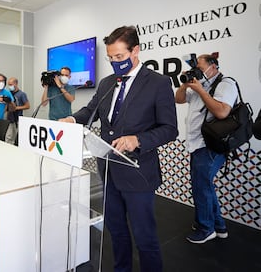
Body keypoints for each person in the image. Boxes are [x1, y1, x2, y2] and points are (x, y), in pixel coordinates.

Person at [60, 26, 178, 272]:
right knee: (116, 231)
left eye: (119, 57)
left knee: (144, 237)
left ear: (136, 50)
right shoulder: (106, 83)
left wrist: (138, 139)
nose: (114, 62)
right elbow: (89, 111)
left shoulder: (158, 83)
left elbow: (170, 129)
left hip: (138, 173)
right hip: (108, 171)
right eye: (110, 58)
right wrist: (72, 119)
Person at [175, 53, 238, 244]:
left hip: (211, 144)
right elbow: (178, 99)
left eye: (200, 68)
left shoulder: (225, 84)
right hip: (196, 144)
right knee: (205, 186)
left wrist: (201, 90)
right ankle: (218, 226)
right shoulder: (197, 84)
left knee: (201, 187)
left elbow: (221, 112)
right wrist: (186, 84)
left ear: (213, 66)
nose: (198, 72)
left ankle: (206, 228)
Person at [6, 77, 30, 144]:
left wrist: (16, 108)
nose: (10, 86)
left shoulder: (22, 94)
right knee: (9, 136)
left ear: (16, 84)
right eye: (9, 85)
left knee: (18, 137)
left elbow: (27, 106)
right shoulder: (8, 94)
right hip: (10, 118)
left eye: (11, 84)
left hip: (18, 118)